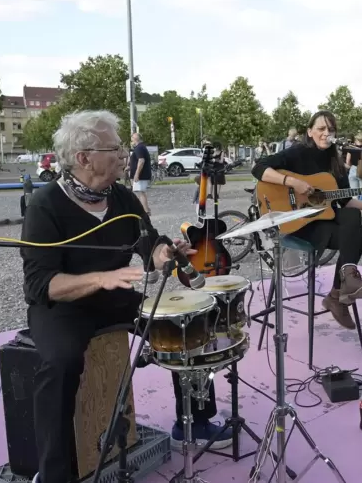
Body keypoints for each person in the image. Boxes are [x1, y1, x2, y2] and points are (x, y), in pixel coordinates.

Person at [21, 111, 232, 483]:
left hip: (116, 297)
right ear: (84, 157)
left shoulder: (119, 195)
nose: (124, 155)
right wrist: (101, 277)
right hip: (63, 309)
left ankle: (195, 421)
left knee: (187, 324)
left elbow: (147, 242)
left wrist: (162, 253)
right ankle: (53, 473)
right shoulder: (45, 205)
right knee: (60, 364)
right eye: (114, 148)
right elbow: (39, 286)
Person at [251, 111, 362, 329]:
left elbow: (346, 201)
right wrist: (292, 181)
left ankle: (342, 287)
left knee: (351, 220)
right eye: (321, 129)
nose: (326, 133)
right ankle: (340, 294)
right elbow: (258, 168)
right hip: (296, 222)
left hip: (322, 220)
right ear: (310, 132)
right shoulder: (298, 152)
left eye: (330, 129)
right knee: (355, 237)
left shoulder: (335, 164)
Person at [129, 133, 151, 214]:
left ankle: (146, 211)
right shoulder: (141, 147)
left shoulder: (139, 148)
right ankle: (146, 209)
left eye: (132, 139)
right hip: (142, 174)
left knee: (141, 192)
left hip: (141, 175)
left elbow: (141, 160)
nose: (131, 141)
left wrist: (137, 174)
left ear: (135, 139)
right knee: (140, 192)